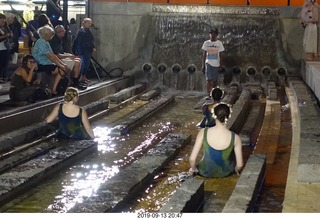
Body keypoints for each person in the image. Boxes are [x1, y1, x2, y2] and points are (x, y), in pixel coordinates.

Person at [189, 102, 243, 178]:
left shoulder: (203, 132)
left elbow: (192, 159)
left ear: (214, 115)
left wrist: (194, 169)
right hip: (226, 173)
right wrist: (235, 171)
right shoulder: (235, 138)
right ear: (229, 116)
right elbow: (240, 165)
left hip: (205, 172)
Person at [32, 25, 69, 96]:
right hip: (41, 64)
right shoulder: (40, 43)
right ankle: (54, 89)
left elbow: (53, 55)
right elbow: (49, 56)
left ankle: (55, 88)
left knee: (62, 68)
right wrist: (60, 65)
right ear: (45, 34)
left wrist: (62, 64)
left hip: (47, 63)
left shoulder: (46, 42)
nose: (52, 34)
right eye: (50, 33)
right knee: (61, 70)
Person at [201, 28, 225, 100]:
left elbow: (221, 54)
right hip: (208, 63)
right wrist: (203, 65)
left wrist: (221, 64)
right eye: (211, 34)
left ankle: (213, 94)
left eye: (214, 34)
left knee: (214, 80)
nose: (212, 35)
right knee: (208, 79)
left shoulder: (219, 43)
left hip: (216, 64)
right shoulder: (206, 43)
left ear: (216, 35)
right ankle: (208, 94)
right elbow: (204, 54)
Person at [73, 17, 96, 84]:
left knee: (86, 64)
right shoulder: (82, 31)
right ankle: (81, 77)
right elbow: (82, 42)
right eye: (88, 22)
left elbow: (90, 40)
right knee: (84, 64)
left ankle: (83, 76)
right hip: (84, 50)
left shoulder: (87, 30)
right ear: (84, 23)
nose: (90, 24)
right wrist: (92, 47)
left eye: (90, 23)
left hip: (86, 50)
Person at [0, 13, 12, 83]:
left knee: (4, 63)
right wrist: (5, 36)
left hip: (5, 48)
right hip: (0, 48)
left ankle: (4, 76)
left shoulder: (4, 28)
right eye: (2, 21)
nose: (3, 23)